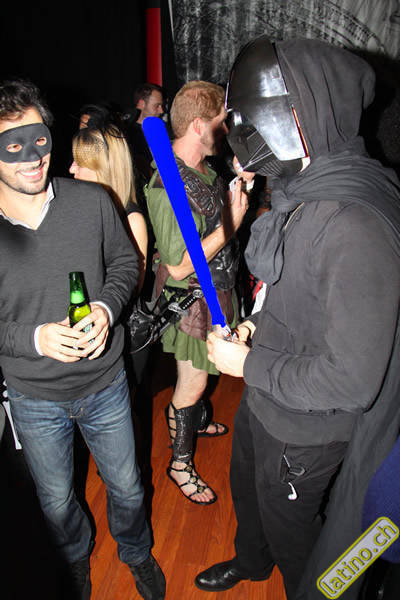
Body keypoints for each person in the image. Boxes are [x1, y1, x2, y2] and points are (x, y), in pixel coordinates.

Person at [195, 37, 400, 599]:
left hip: (307, 425)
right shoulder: (300, 190)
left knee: (294, 534)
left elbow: (352, 381)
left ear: (303, 114)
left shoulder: (354, 224)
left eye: (249, 121)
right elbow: (298, 294)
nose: (240, 138)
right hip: (267, 391)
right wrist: (255, 328)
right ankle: (251, 561)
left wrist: (247, 365)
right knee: (248, 491)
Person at [0, 79, 165, 600]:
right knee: (54, 502)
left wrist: (106, 307)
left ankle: (135, 552)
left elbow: (124, 263)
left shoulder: (91, 201)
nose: (32, 158)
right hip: (33, 396)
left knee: (128, 487)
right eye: (11, 145)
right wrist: (34, 338)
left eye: (39, 140)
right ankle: (74, 558)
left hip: (105, 383)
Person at [145, 80, 249, 505]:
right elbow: (179, 265)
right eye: (220, 123)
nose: (224, 131)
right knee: (193, 381)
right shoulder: (165, 182)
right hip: (191, 302)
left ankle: (195, 420)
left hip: (216, 291)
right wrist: (231, 226)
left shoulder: (204, 168)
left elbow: (210, 217)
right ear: (198, 126)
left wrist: (238, 185)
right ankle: (179, 464)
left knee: (204, 375)